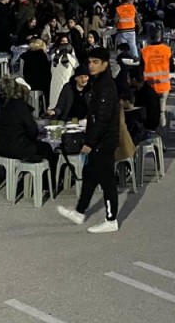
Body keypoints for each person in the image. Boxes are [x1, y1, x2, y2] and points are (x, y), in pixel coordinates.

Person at [56, 46, 122, 233]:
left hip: (104, 141)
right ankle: (79, 211)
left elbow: (102, 119)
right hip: (98, 138)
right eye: (89, 62)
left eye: (95, 62)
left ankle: (111, 219)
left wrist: (89, 143)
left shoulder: (106, 87)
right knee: (89, 175)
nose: (91, 66)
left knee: (107, 180)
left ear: (105, 64)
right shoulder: (96, 83)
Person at [0, 76, 59, 172]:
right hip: (16, 148)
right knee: (46, 148)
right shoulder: (21, 107)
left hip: (2, 146)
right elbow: (32, 131)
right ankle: (49, 181)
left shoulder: (4, 104)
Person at [140, 30, 173, 112]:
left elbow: (140, 70)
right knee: (162, 111)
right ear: (161, 38)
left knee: (151, 112)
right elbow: (172, 68)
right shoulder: (167, 50)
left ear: (150, 38)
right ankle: (163, 124)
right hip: (164, 86)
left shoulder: (145, 51)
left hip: (151, 87)